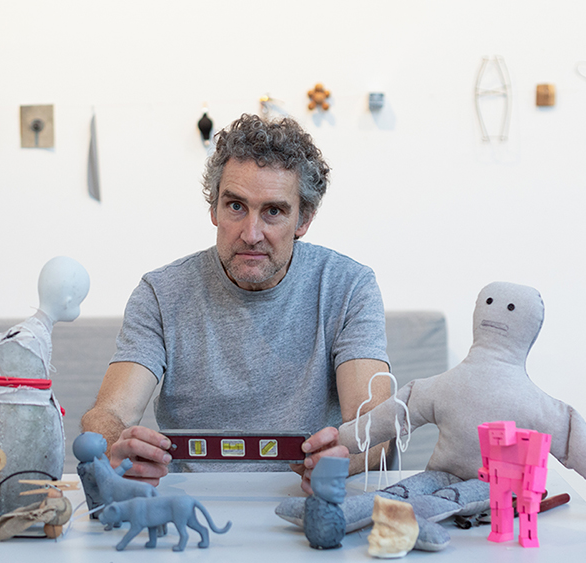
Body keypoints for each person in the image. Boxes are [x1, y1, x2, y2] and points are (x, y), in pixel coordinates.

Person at [80, 114, 390, 494]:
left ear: (304, 219)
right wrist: (115, 447)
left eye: (273, 211)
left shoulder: (348, 287)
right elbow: (108, 414)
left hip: (306, 498)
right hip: (188, 501)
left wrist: (344, 458)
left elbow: (374, 424)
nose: (251, 233)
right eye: (236, 207)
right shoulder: (161, 292)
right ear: (214, 209)